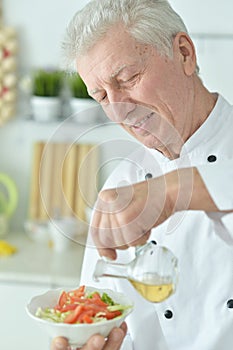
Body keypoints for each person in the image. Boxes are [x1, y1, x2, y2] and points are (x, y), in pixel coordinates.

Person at [52, 0, 233, 349]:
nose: (119, 110)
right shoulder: (121, 186)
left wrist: (171, 191)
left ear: (184, 53)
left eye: (128, 78)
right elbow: (108, 318)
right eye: (102, 95)